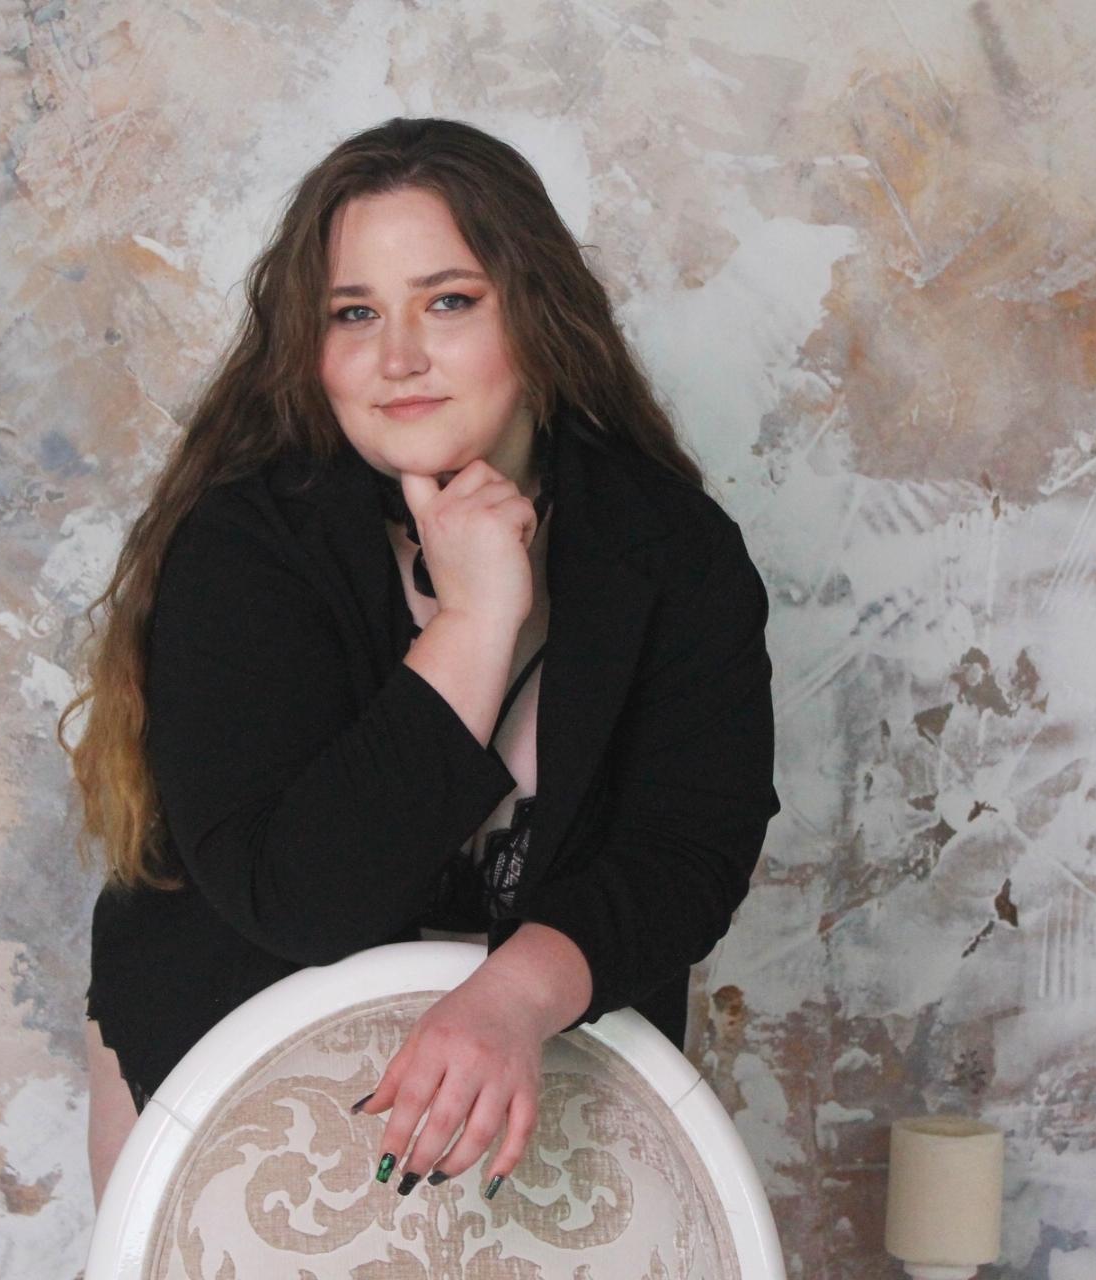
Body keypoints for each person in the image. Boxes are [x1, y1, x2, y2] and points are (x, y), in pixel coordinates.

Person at [59, 116, 779, 1211]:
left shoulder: (670, 548)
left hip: (549, 1074)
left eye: (448, 301)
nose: (398, 358)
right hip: (237, 1084)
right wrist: (476, 620)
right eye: (354, 313)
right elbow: (299, 898)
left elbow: (689, 847)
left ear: (534, 313)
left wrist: (515, 997)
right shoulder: (245, 546)